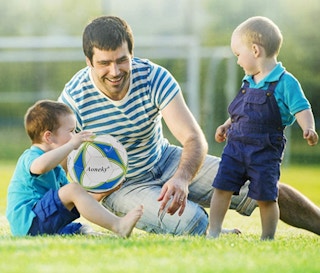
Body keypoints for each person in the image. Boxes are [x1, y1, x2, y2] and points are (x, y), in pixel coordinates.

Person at [59, 15, 320, 236]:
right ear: (88, 61)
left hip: (164, 159)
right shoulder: (73, 99)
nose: (115, 71)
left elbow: (193, 138)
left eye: (121, 60)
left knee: (265, 189)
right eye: (104, 63)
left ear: (131, 54)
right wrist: (96, 187)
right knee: (191, 220)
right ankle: (212, 232)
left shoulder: (153, 77)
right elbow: (62, 159)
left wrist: (182, 178)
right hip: (123, 185)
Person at [208, 16, 318, 240]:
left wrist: (308, 127)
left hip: (265, 152)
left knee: (267, 197)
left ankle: (267, 237)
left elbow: (301, 107)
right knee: (222, 187)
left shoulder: (286, 82)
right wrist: (226, 125)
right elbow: (241, 112)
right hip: (236, 148)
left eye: (238, 55)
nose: (238, 61)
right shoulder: (248, 81)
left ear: (255, 50)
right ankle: (215, 230)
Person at [6, 100, 143, 237]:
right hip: (29, 222)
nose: (75, 136)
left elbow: (76, 201)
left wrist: (103, 192)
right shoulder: (31, 156)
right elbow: (40, 167)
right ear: (49, 137)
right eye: (71, 131)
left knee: (80, 228)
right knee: (73, 188)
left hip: (44, 221)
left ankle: (100, 233)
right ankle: (118, 226)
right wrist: (71, 145)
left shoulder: (57, 170)